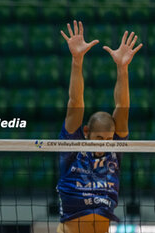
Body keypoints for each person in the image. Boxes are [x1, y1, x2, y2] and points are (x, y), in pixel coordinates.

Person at [57, 20, 142, 233]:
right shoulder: (73, 146)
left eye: (109, 139)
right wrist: (77, 60)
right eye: (99, 139)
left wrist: (122, 68)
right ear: (87, 132)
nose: (105, 145)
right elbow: (75, 102)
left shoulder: (115, 147)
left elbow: (122, 106)